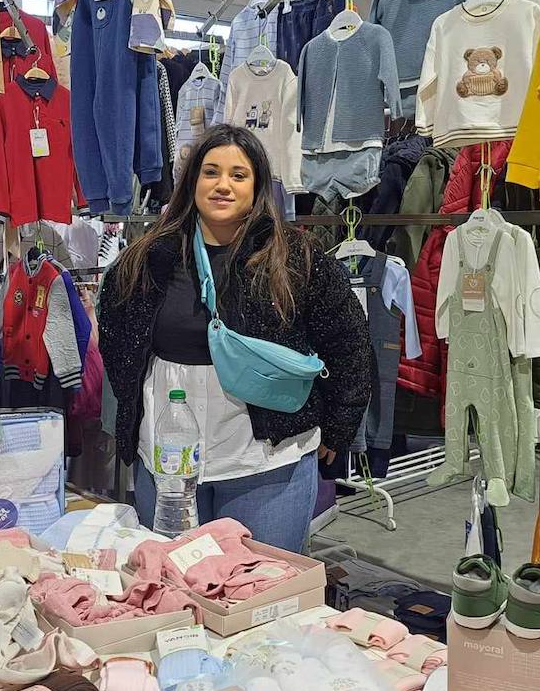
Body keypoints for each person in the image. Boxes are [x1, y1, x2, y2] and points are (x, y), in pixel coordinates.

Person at [99, 124, 371, 553]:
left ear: (258, 186)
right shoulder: (147, 259)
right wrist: (136, 416)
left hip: (267, 464)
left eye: (238, 175)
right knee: (174, 598)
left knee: (262, 595)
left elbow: (351, 343)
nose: (223, 185)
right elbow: (117, 343)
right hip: (170, 464)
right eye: (211, 172)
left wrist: (340, 427)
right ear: (192, 183)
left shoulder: (295, 258)